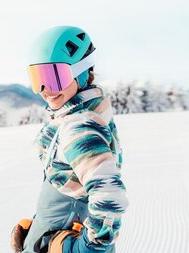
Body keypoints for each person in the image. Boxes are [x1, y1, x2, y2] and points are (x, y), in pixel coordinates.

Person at [11, 26, 129, 253]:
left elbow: (110, 194)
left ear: (81, 73)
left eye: (54, 77)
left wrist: (88, 248)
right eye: (38, 79)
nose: (44, 90)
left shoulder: (80, 126)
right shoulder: (72, 118)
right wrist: (38, 229)